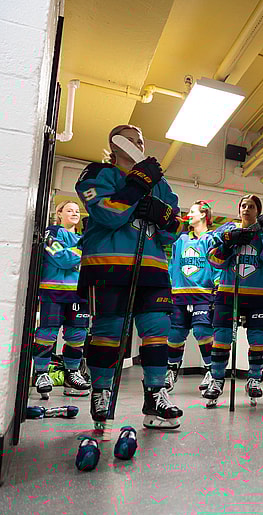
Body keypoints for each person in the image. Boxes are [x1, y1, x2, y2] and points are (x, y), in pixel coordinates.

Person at [76, 124, 184, 429]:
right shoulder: (96, 173)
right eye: (129, 138)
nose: (137, 143)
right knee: (108, 332)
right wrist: (137, 186)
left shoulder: (161, 185)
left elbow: (174, 230)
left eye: (140, 139)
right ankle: (102, 392)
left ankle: (155, 395)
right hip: (107, 267)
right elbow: (109, 215)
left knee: (157, 330)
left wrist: (160, 215)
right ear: (114, 144)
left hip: (152, 269)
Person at [203, 195, 263, 407]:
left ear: (258, 211)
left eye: (252, 206)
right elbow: (214, 261)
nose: (246, 209)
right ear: (239, 210)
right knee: (222, 338)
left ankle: (254, 379)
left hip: (260, 295)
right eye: (243, 206)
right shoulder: (226, 231)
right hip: (229, 293)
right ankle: (217, 380)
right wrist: (228, 244)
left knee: (258, 340)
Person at [32, 200, 90, 399]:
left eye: (76, 210)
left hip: (78, 293)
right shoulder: (52, 232)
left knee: (77, 335)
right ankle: (41, 374)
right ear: (59, 213)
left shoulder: (83, 237)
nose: (74, 213)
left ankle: (72, 374)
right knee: (47, 332)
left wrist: (76, 251)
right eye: (69, 210)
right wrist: (82, 251)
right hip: (53, 291)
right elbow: (62, 258)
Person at [165, 200, 220, 392]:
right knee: (175, 334)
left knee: (202, 333)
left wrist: (218, 286)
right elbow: (173, 265)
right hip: (179, 295)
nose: (189, 215)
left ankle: (211, 371)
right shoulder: (180, 240)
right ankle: (171, 371)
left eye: (193, 211)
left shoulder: (211, 239)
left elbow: (218, 264)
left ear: (204, 214)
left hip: (203, 294)